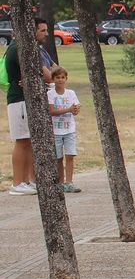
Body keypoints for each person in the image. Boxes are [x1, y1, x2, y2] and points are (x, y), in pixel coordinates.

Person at [6, 18, 55, 195]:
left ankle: (27, 180)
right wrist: (45, 74)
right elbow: (49, 75)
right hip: (19, 100)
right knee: (22, 141)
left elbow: (58, 72)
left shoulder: (33, 49)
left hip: (29, 100)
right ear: (31, 30)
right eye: (42, 30)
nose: (46, 34)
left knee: (28, 141)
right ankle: (17, 183)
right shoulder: (19, 48)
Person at [47, 65, 79, 193]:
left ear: (66, 78)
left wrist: (75, 110)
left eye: (62, 77)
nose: (60, 80)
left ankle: (69, 182)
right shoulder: (50, 94)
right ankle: (60, 182)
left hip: (69, 129)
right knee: (58, 158)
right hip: (56, 131)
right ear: (53, 79)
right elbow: (52, 111)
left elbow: (76, 107)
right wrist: (68, 109)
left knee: (70, 155)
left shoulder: (71, 93)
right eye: (57, 78)